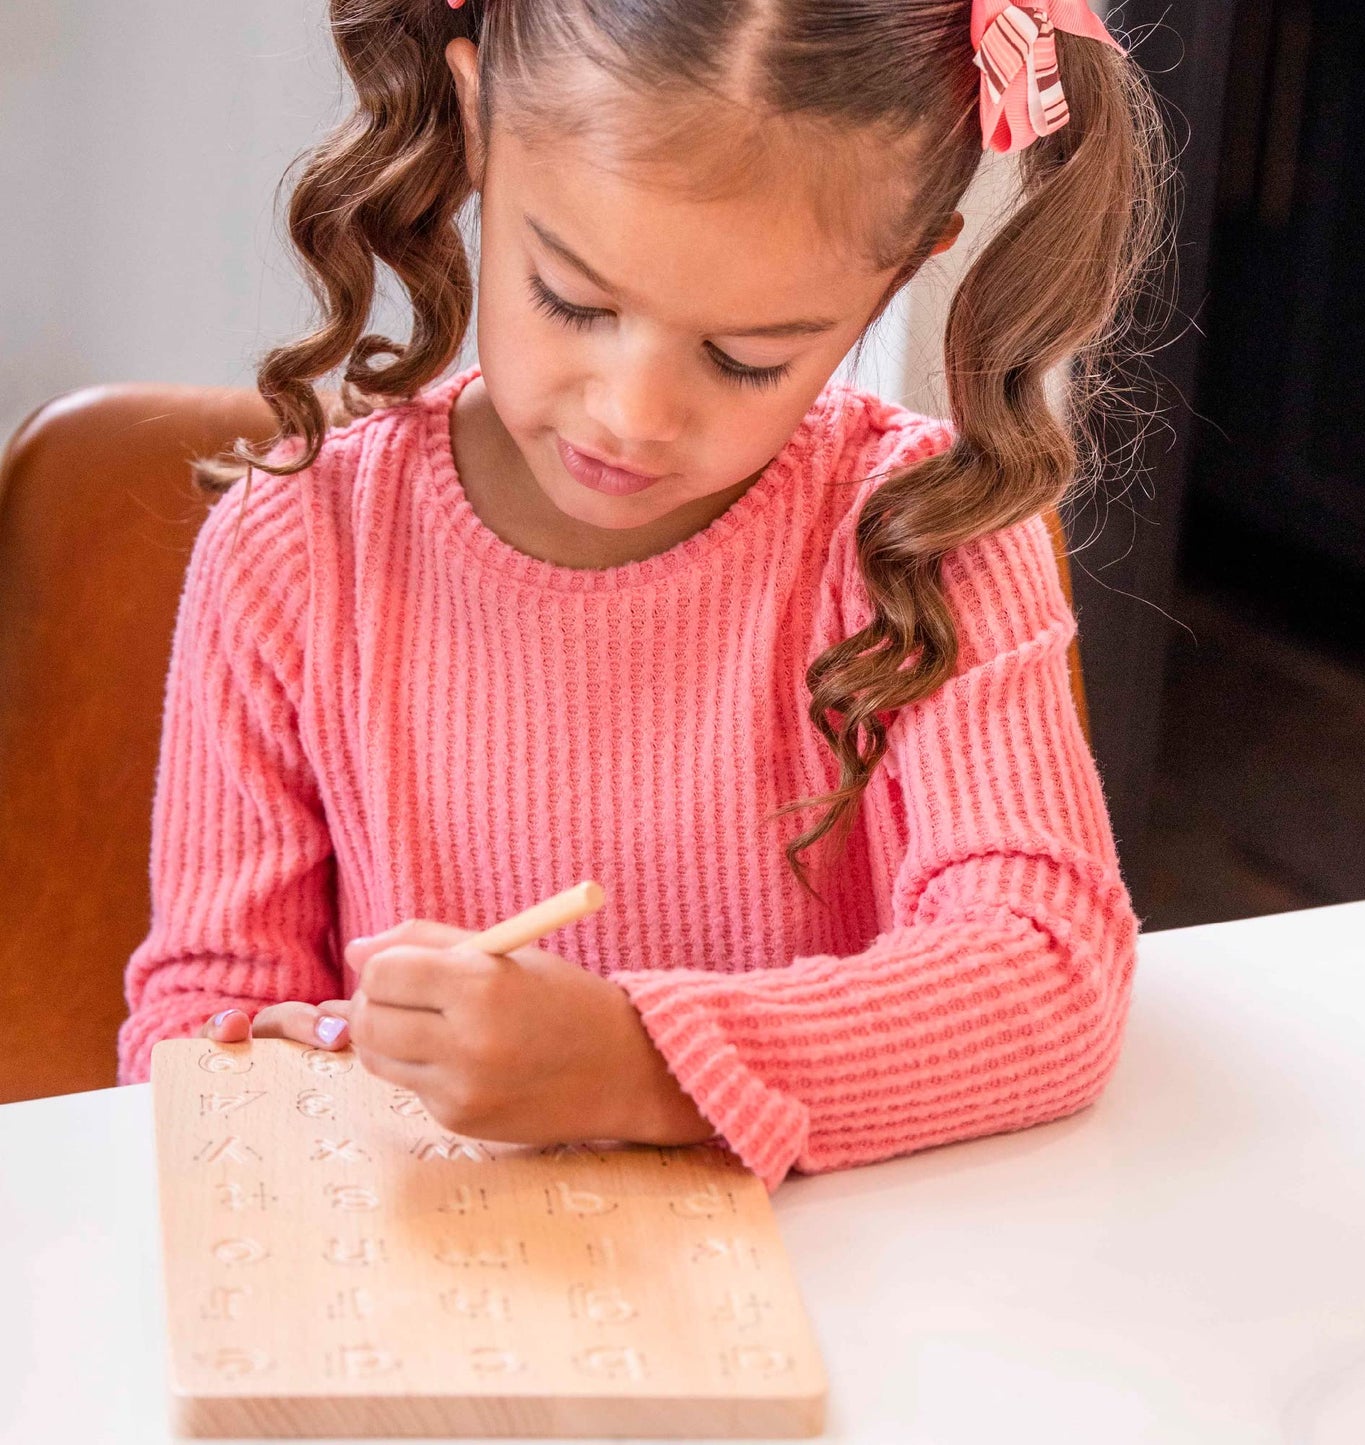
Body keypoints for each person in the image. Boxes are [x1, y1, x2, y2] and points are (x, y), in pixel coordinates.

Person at [118, 0, 1170, 1191]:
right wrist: (272, 1055)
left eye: (744, 359)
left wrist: (637, 1065)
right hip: (447, 1284)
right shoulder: (295, 551)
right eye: (573, 299)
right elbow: (202, 1017)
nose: (634, 415)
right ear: (477, 125)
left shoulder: (925, 540)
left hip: (850, 1302)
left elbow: (1047, 975)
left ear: (905, 264)